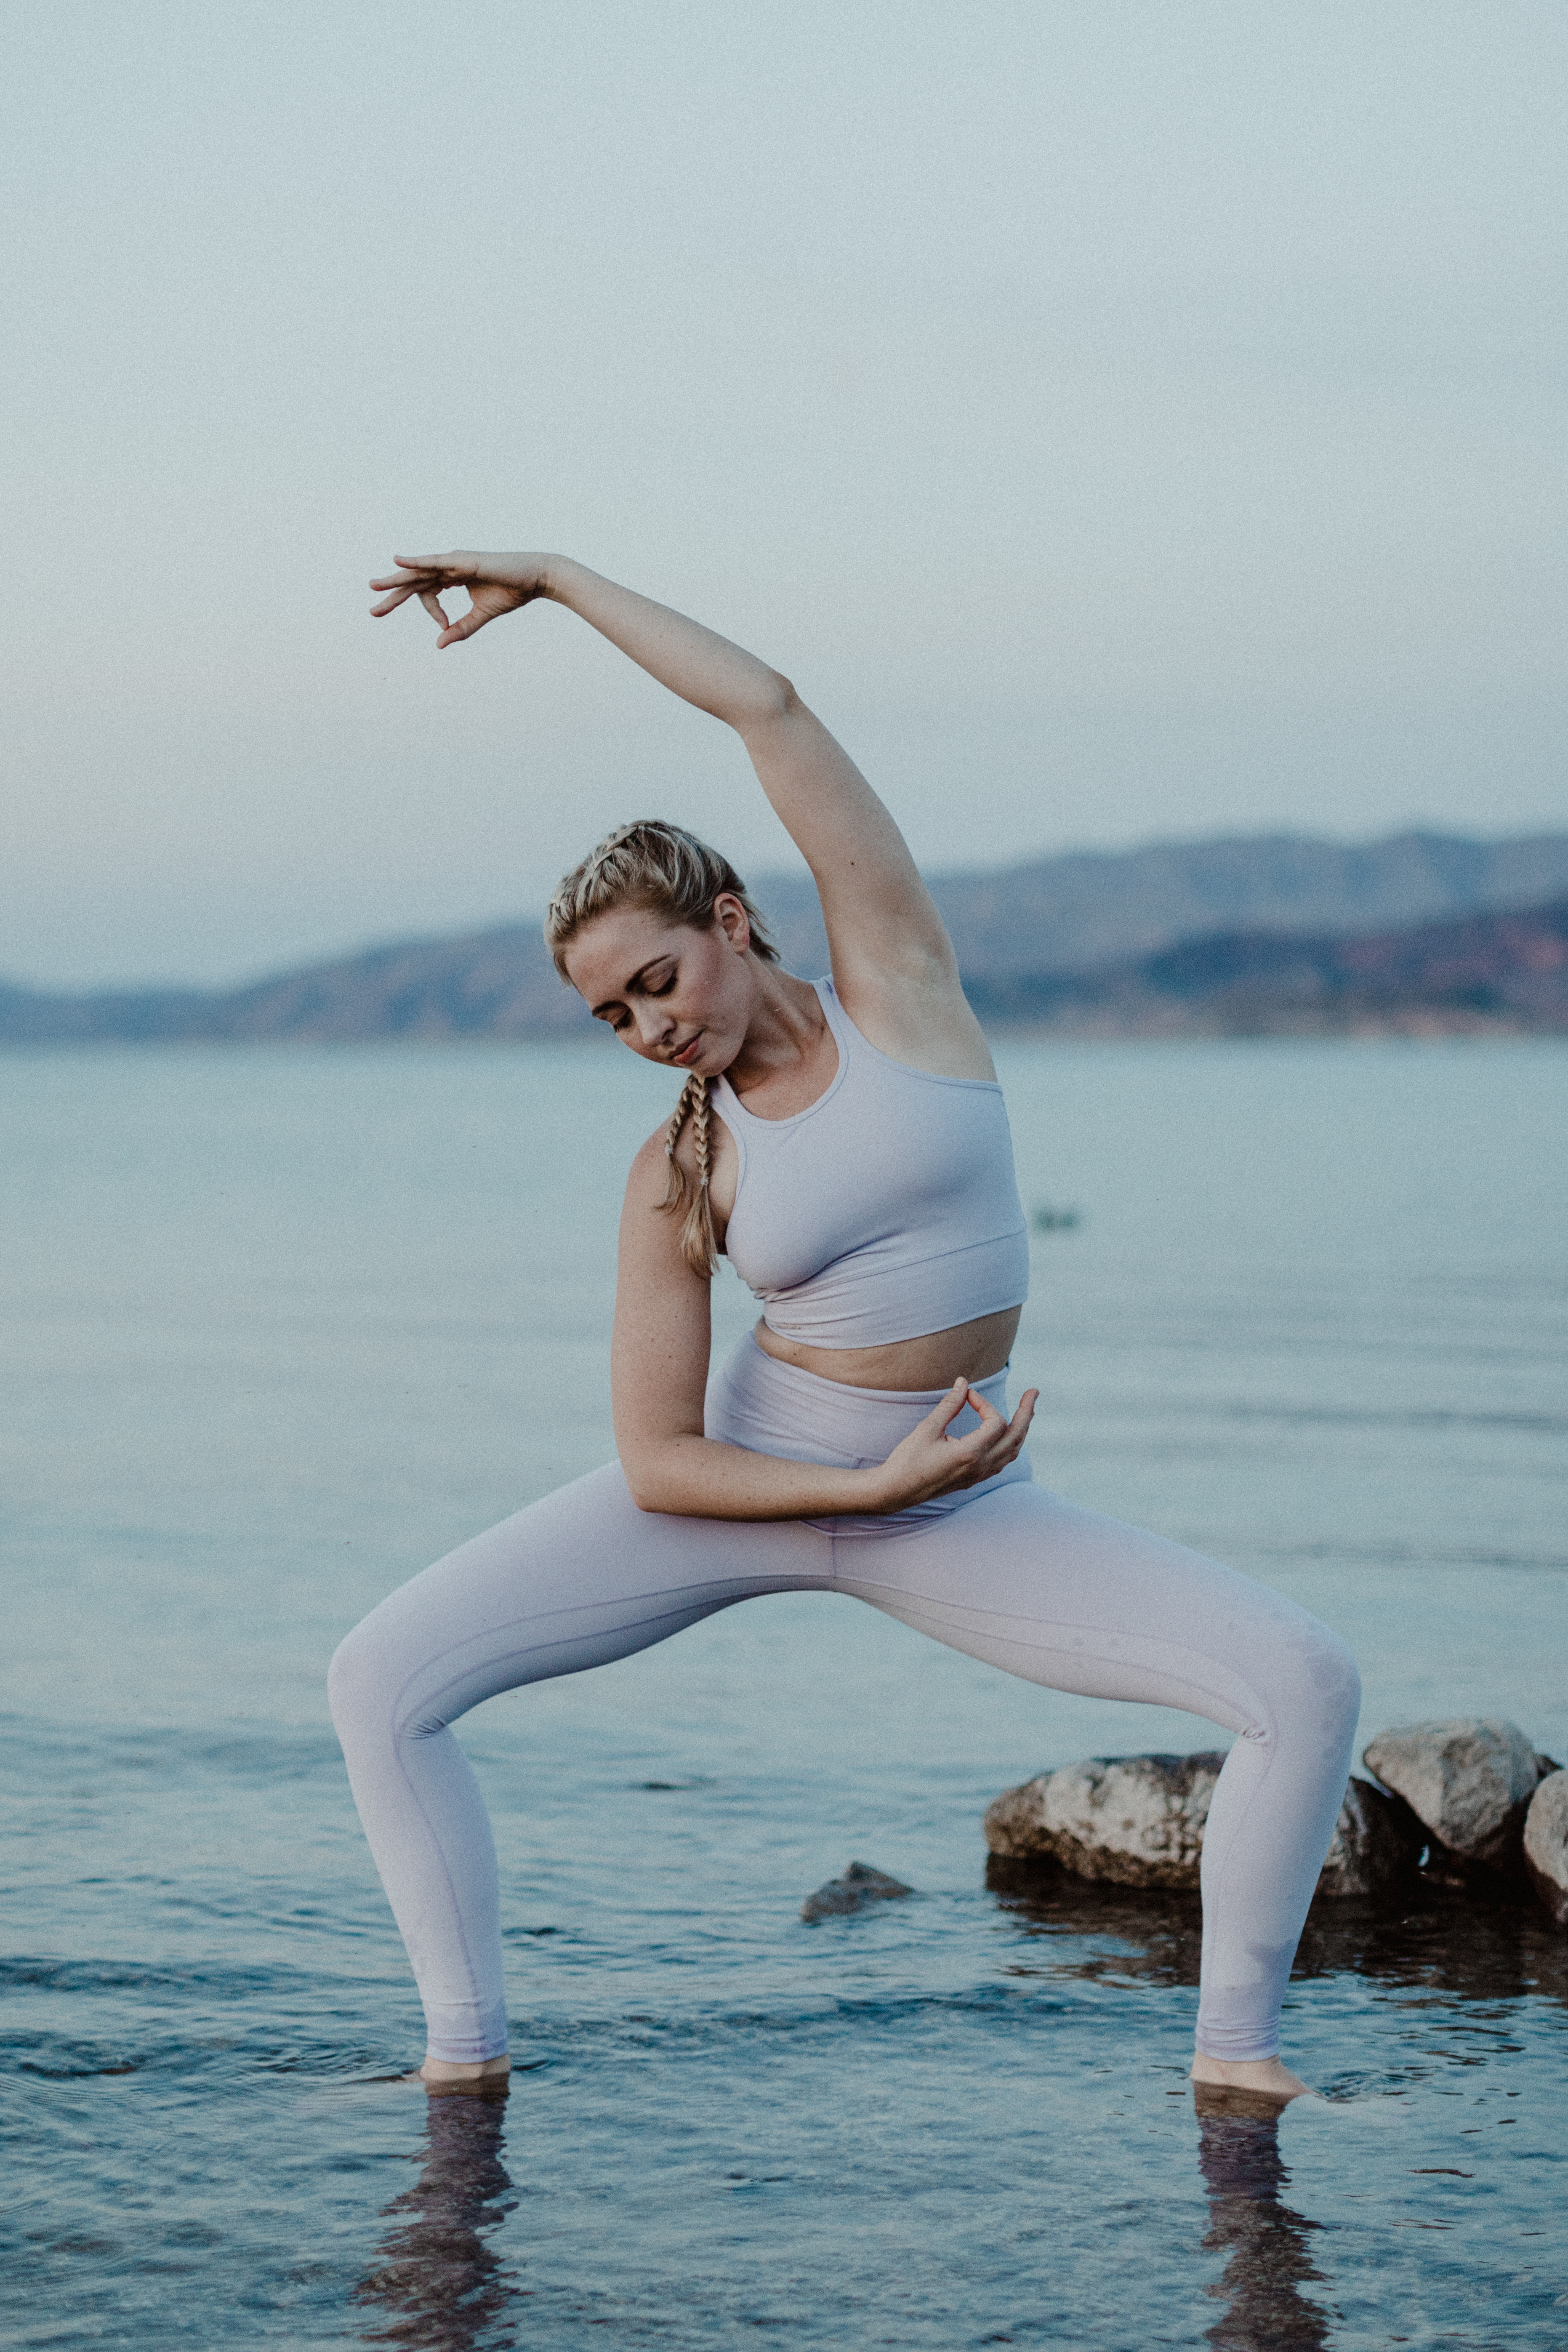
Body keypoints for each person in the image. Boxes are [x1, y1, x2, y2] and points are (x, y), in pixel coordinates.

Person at [330, 551, 1360, 2105]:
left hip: (955, 1502)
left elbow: (771, 706)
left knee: (1305, 1680)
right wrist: (856, 1492)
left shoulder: (901, 989)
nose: (650, 1026)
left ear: (735, 919)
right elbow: (660, 1461)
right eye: (612, 1015)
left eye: (658, 977)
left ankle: (1238, 2072)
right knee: (379, 1680)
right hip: (776, 1474)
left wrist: (553, 580)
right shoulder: (678, 1168)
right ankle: (461, 2073)